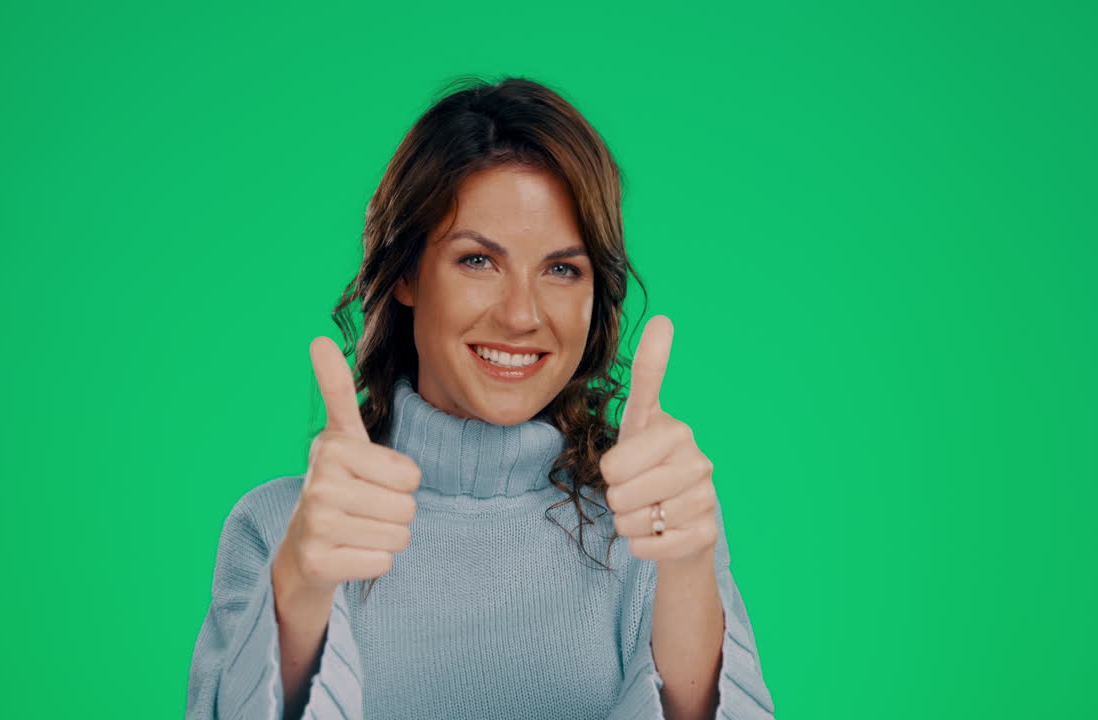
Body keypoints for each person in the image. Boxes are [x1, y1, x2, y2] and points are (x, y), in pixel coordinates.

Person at [185, 76, 776, 720]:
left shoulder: (657, 525)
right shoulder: (276, 529)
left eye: (561, 269)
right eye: (477, 261)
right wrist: (299, 585)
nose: (522, 315)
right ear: (407, 272)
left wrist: (686, 573)